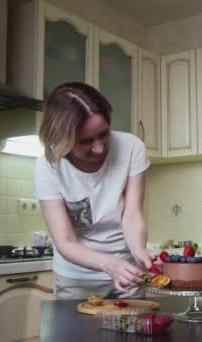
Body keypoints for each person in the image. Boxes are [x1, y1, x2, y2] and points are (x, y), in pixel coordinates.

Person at [33, 82, 159, 300]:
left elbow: (132, 214)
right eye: (86, 141)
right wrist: (107, 263)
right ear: (62, 137)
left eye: (104, 134)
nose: (99, 148)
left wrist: (139, 252)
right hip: (76, 280)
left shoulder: (131, 147)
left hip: (129, 275)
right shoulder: (47, 166)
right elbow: (65, 241)